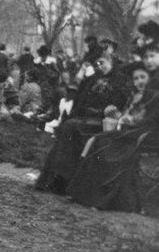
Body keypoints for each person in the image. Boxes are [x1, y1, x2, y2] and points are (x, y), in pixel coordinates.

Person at [66, 63, 159, 212]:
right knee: (99, 139)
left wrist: (132, 121)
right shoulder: (138, 97)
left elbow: (152, 121)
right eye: (136, 79)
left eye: (143, 77)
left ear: (150, 79)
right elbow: (126, 117)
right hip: (132, 133)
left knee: (103, 143)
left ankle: (99, 199)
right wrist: (119, 115)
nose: (139, 81)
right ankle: (83, 193)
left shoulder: (155, 97)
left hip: (148, 136)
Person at [35, 54, 129, 194]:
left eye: (102, 62)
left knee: (71, 127)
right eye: (97, 63)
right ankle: (58, 178)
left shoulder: (119, 81)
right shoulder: (94, 79)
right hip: (86, 118)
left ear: (111, 63)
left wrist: (109, 109)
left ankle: (63, 179)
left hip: (103, 121)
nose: (99, 66)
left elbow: (118, 104)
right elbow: (81, 98)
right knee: (68, 127)